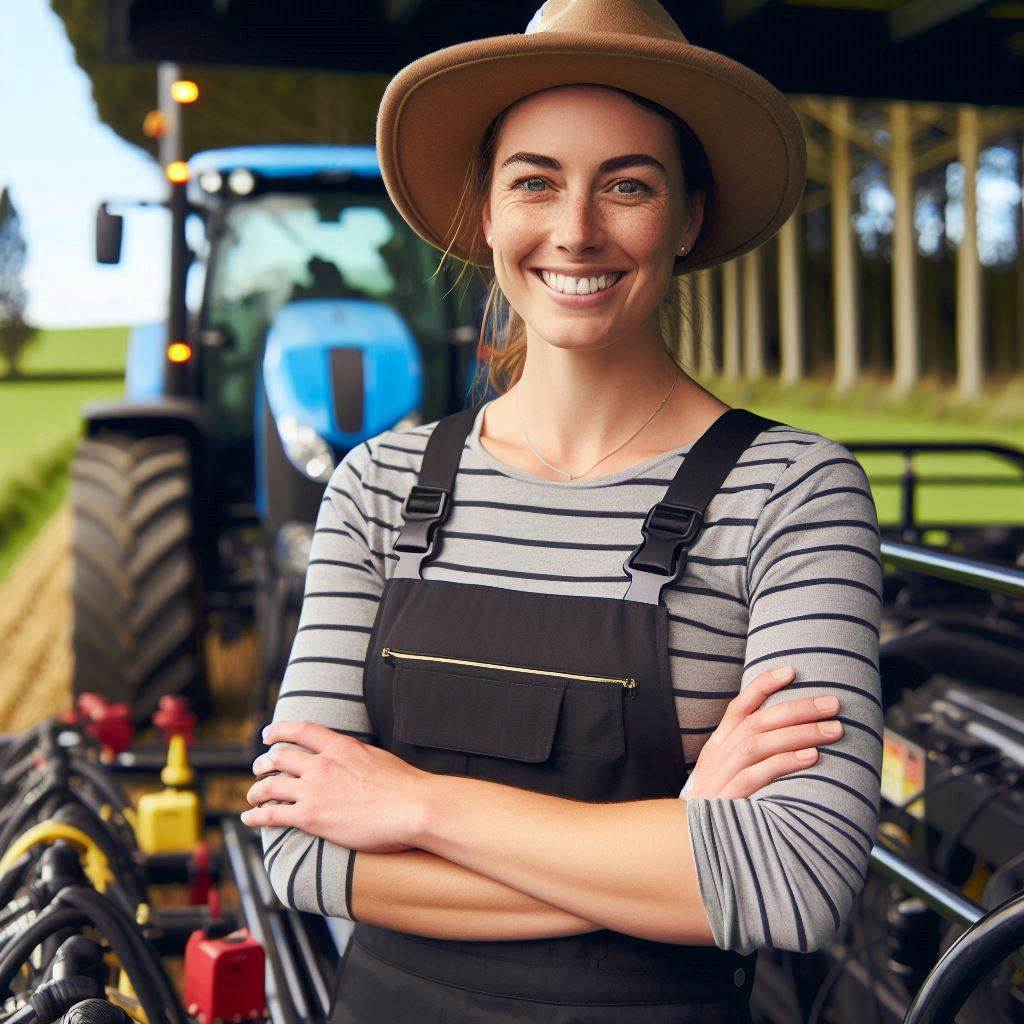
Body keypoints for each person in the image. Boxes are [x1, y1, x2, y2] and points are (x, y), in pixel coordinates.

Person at [240, 1, 884, 1021]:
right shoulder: (378, 486)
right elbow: (300, 852)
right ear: (487, 214)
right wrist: (674, 845)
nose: (575, 229)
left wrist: (414, 805)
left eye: (627, 185)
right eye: (534, 180)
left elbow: (792, 880)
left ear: (688, 216)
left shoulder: (791, 493)